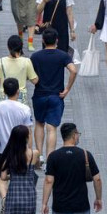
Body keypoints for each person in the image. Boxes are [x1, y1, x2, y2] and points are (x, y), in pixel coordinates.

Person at [30, 28, 78, 158]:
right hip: (56, 96)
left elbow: (30, 75)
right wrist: (67, 89)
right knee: (51, 128)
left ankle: (39, 156)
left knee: (39, 124)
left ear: (43, 40)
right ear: (57, 40)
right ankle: (49, 158)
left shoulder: (35, 57)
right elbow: (73, 70)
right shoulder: (63, 55)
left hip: (39, 95)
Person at [0, 35, 39, 109]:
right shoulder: (26, 61)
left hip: (4, 96)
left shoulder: (0, 61)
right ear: (21, 47)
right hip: (20, 96)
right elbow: (35, 81)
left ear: (8, 47)